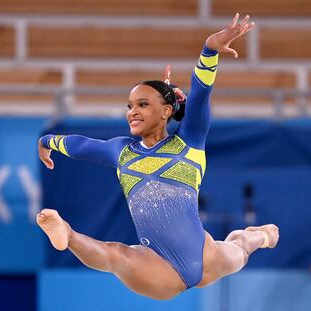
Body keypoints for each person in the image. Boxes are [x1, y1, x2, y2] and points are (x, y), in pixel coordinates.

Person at [36, 13, 279, 300]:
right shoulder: (122, 151)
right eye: (129, 105)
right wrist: (48, 140)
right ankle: (67, 234)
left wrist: (209, 51)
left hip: (206, 256)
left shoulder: (189, 141)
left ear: (166, 111)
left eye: (142, 104)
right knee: (117, 255)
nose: (132, 111)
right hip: (159, 266)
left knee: (240, 244)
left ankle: (261, 235)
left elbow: (200, 95)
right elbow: (83, 145)